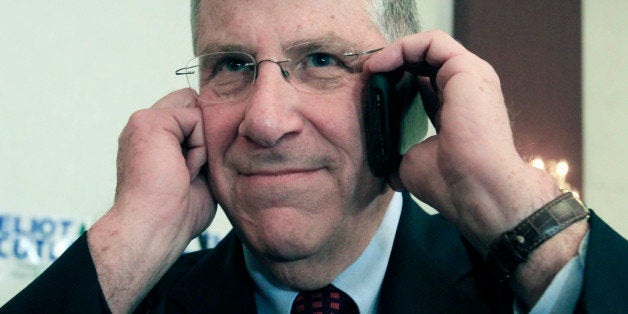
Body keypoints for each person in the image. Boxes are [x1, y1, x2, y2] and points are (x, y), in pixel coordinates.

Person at [2, 0, 626, 313]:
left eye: (322, 61)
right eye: (233, 66)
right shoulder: (133, 301)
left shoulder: (533, 296)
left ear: (403, 89)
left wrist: (510, 201)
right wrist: (132, 238)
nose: (266, 121)